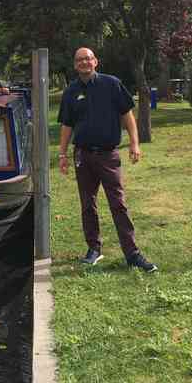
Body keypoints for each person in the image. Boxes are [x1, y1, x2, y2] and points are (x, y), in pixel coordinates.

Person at [57, 47, 157, 271]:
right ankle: (94, 249)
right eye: (80, 60)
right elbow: (66, 124)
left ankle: (132, 254)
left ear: (96, 62)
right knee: (87, 204)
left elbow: (127, 114)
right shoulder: (71, 92)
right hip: (82, 155)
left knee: (118, 204)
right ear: (75, 65)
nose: (84, 62)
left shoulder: (112, 84)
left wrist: (134, 143)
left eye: (88, 59)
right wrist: (62, 154)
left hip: (108, 155)